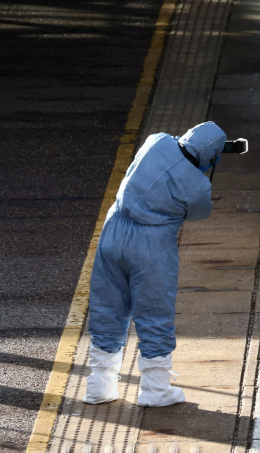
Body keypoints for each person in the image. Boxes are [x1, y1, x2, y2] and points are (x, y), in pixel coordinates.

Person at [83, 121, 226, 407]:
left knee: (107, 307)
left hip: (114, 229)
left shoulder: (156, 141)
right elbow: (198, 213)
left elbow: (165, 148)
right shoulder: (199, 186)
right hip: (152, 244)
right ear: (212, 158)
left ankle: (99, 387)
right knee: (154, 312)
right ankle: (155, 390)